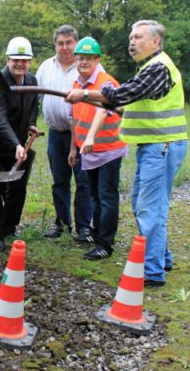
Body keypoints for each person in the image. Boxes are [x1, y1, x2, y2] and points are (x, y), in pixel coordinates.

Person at [66, 20, 188, 287]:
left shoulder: (158, 68)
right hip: (155, 146)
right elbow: (127, 102)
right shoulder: (149, 68)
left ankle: (152, 271)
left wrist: (85, 95)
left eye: (138, 37)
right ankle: (162, 258)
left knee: (148, 207)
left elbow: (124, 94)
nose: (131, 42)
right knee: (148, 205)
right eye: (131, 37)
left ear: (155, 42)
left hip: (162, 146)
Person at [0, 37, 41, 252]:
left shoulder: (31, 81)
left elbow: (33, 106)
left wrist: (31, 125)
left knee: (17, 186)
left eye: (25, 60)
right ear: (8, 59)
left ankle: (9, 227)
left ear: (30, 61)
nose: (20, 64)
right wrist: (16, 144)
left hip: (17, 143)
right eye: (16, 60)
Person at [68, 37, 127, 260]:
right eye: (80, 58)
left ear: (97, 60)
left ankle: (105, 244)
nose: (83, 62)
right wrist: (74, 148)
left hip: (108, 149)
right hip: (87, 150)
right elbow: (74, 117)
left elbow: (104, 109)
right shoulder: (77, 84)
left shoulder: (107, 82)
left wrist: (91, 137)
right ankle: (96, 231)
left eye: (88, 59)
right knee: (94, 195)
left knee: (106, 196)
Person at [35, 25, 93, 242]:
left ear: (76, 44)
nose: (65, 47)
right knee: (59, 180)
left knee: (83, 180)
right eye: (61, 43)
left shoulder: (87, 67)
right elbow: (36, 99)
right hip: (56, 133)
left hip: (82, 134)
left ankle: (84, 227)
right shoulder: (45, 68)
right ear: (55, 45)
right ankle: (62, 223)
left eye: (69, 42)